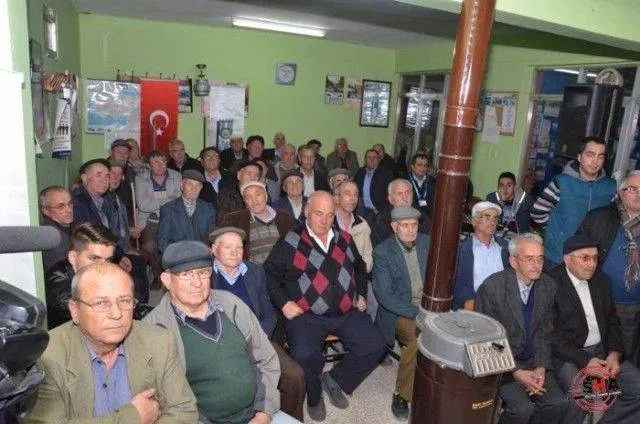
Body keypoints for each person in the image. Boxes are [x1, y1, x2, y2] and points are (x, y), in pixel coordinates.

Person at [144, 241, 298, 424]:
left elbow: (265, 359)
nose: (197, 282)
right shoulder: (153, 330)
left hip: (258, 413)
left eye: (203, 272)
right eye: (185, 274)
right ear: (167, 280)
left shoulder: (232, 305)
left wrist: (264, 413)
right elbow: (159, 401)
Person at [264, 191, 386, 421]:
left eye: (330, 215)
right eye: (319, 214)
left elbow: (360, 268)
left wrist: (361, 293)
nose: (325, 220)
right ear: (306, 213)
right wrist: (284, 303)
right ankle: (314, 394)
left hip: (346, 312)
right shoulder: (290, 242)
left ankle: (335, 379)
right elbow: (269, 275)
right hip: (307, 315)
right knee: (304, 355)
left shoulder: (345, 239)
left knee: (376, 346)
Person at [28, 262, 198, 423]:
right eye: (101, 303)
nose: (116, 314)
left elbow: (184, 411)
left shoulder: (159, 341)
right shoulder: (47, 356)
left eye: (124, 301)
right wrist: (132, 418)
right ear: (75, 310)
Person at [475, 233, 575, 424]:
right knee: (522, 409)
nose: (537, 265)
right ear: (513, 262)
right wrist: (516, 371)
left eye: (540, 259)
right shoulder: (493, 288)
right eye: (529, 259)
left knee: (559, 403)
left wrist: (541, 366)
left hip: (533, 361)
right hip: (501, 363)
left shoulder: (548, 285)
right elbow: (487, 340)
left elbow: (544, 331)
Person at [209, 228, 306, 421]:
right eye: (228, 247)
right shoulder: (204, 276)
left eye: (239, 247)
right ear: (214, 249)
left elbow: (269, 313)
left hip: (257, 338)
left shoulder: (255, 271)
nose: (235, 252)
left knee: (295, 376)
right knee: (235, 387)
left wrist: (258, 337)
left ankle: (288, 419)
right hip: (220, 345)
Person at [550, 234, 640, 423]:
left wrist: (614, 353)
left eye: (595, 258)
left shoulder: (601, 280)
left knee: (637, 387)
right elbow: (552, 336)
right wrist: (586, 361)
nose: (592, 264)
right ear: (567, 259)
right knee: (584, 395)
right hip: (570, 356)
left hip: (603, 353)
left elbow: (612, 321)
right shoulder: (550, 284)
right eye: (585, 258)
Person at [576, 170, 640, 365]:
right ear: (621, 192)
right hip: (596, 301)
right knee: (593, 358)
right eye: (633, 189)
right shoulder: (599, 217)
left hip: (632, 308)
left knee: (625, 361)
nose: (639, 194)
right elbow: (576, 255)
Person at [372, 206, 428, 419]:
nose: (411, 230)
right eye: (405, 225)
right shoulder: (383, 251)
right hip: (399, 311)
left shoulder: (427, 243)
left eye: (414, 225)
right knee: (417, 340)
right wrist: (417, 312)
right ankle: (401, 394)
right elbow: (385, 296)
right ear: (394, 227)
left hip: (428, 305)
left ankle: (434, 383)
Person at [531, 137, 616, 266]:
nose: (595, 161)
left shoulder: (611, 187)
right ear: (580, 157)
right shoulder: (561, 182)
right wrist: (556, 234)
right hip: (558, 257)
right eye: (590, 155)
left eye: (600, 156)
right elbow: (537, 213)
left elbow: (613, 221)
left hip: (590, 260)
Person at [45, 222, 117, 329]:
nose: (104, 267)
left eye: (108, 260)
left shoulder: (92, 275)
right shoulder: (61, 295)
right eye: (95, 259)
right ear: (73, 258)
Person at [452, 201, 510, 310]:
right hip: (470, 307)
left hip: (501, 306)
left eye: (495, 219)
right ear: (474, 221)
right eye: (487, 217)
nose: (492, 222)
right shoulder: (460, 251)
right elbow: (455, 286)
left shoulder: (506, 249)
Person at [135, 151, 182, 278]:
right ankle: (157, 275)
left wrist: (154, 200)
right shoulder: (141, 178)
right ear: (148, 166)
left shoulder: (177, 176)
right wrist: (169, 199)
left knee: (174, 244)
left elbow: (179, 200)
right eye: (156, 162)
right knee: (149, 246)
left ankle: (173, 274)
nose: (160, 165)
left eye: (163, 162)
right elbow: (143, 205)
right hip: (151, 219)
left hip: (172, 218)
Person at [220, 181, 292, 263]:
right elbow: (222, 246)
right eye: (248, 197)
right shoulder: (234, 220)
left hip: (283, 269)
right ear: (244, 201)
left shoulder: (285, 217)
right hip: (253, 269)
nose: (254, 200)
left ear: (266, 196)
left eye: (258, 195)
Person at [157, 169, 216, 252]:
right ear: (182, 186)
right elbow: (162, 242)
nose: (194, 188)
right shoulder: (168, 209)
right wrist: (182, 254)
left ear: (201, 188)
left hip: (201, 254)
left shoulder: (208, 208)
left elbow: (212, 236)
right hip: (178, 255)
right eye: (189, 184)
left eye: (198, 185)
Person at [371, 179, 429, 247]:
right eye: (399, 194)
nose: (404, 198)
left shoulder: (421, 216)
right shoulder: (381, 221)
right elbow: (384, 248)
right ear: (390, 199)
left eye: (407, 192)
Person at [216, 159, 263, 224]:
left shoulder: (263, 195)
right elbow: (222, 220)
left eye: (256, 175)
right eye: (249, 174)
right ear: (239, 175)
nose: (253, 178)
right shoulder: (225, 195)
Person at [39, 185, 73, 272]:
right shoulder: (50, 238)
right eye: (61, 206)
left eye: (70, 204)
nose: (69, 210)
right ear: (45, 211)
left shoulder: (67, 228)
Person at [354, 149, 394, 221]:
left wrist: (380, 210)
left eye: (374, 157)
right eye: (369, 157)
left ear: (379, 159)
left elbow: (391, 194)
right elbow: (355, 188)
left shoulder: (386, 173)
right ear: (365, 160)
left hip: (377, 211)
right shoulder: (360, 172)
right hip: (361, 210)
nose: (372, 160)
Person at [406, 153, 436, 222]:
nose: (423, 168)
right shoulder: (404, 181)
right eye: (419, 165)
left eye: (425, 165)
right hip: (410, 218)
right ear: (412, 166)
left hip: (429, 220)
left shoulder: (433, 181)